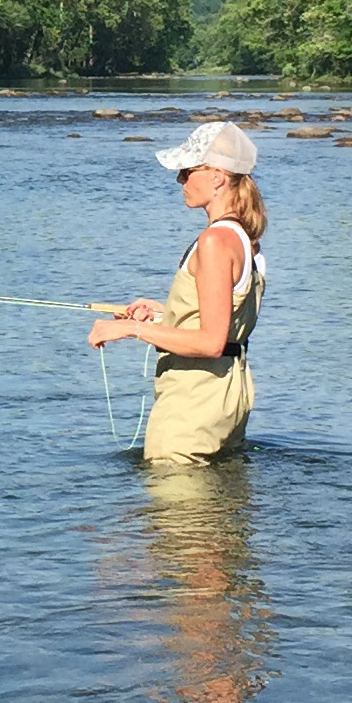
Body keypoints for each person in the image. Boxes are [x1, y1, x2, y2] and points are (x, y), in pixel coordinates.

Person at [88, 122, 267, 465]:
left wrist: (129, 329)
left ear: (216, 176)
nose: (179, 181)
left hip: (193, 401)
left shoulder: (215, 241)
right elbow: (223, 323)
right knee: (221, 515)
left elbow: (211, 342)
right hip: (229, 394)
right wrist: (161, 313)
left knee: (174, 514)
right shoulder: (246, 240)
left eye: (186, 172)